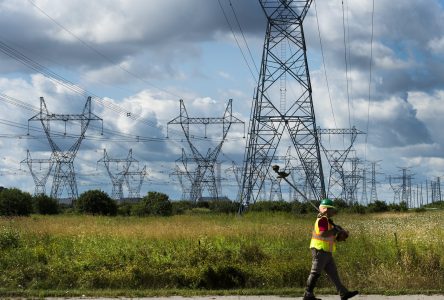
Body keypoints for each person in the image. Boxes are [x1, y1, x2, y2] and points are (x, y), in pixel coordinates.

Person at [303, 198, 359, 300]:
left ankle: (343, 293)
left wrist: (340, 236)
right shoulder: (323, 220)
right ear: (326, 209)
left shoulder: (328, 221)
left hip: (327, 252)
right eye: (332, 209)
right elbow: (323, 234)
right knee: (315, 273)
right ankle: (308, 295)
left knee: (334, 274)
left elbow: (330, 237)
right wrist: (335, 230)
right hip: (319, 250)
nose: (334, 211)